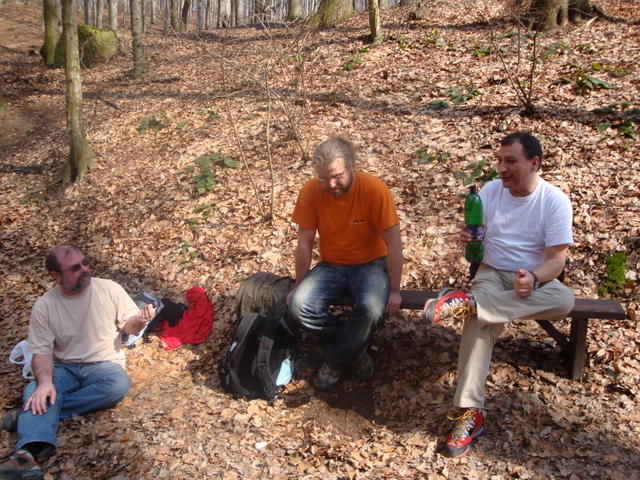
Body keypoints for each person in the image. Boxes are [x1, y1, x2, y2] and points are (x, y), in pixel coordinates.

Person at [423, 131, 575, 457]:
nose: (502, 169)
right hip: (491, 273)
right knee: (478, 325)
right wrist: (469, 239)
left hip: (533, 278)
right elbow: (476, 241)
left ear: (534, 163)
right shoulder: (490, 192)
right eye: (499, 161)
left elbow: (556, 261)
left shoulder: (554, 201)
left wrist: (534, 277)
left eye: (511, 161)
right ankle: (470, 413)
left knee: (564, 300)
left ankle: (470, 303)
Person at [0, 245, 155, 480]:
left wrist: (140, 321)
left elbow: (128, 326)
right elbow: (41, 352)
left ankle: (28, 415)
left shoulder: (109, 289)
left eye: (85, 263)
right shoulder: (45, 306)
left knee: (118, 385)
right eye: (74, 268)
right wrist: (45, 383)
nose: (84, 270)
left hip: (104, 365)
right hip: (64, 367)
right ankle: (24, 456)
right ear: (56, 276)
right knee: (37, 389)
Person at [287, 136, 403, 390]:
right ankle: (355, 347)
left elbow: (394, 244)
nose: (330, 184)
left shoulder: (374, 190)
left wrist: (395, 290)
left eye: (337, 176)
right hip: (331, 266)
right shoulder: (312, 191)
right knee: (298, 305)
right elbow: (304, 241)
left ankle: (335, 360)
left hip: (371, 265)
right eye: (323, 178)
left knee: (372, 309)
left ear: (351, 166)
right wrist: (299, 283)